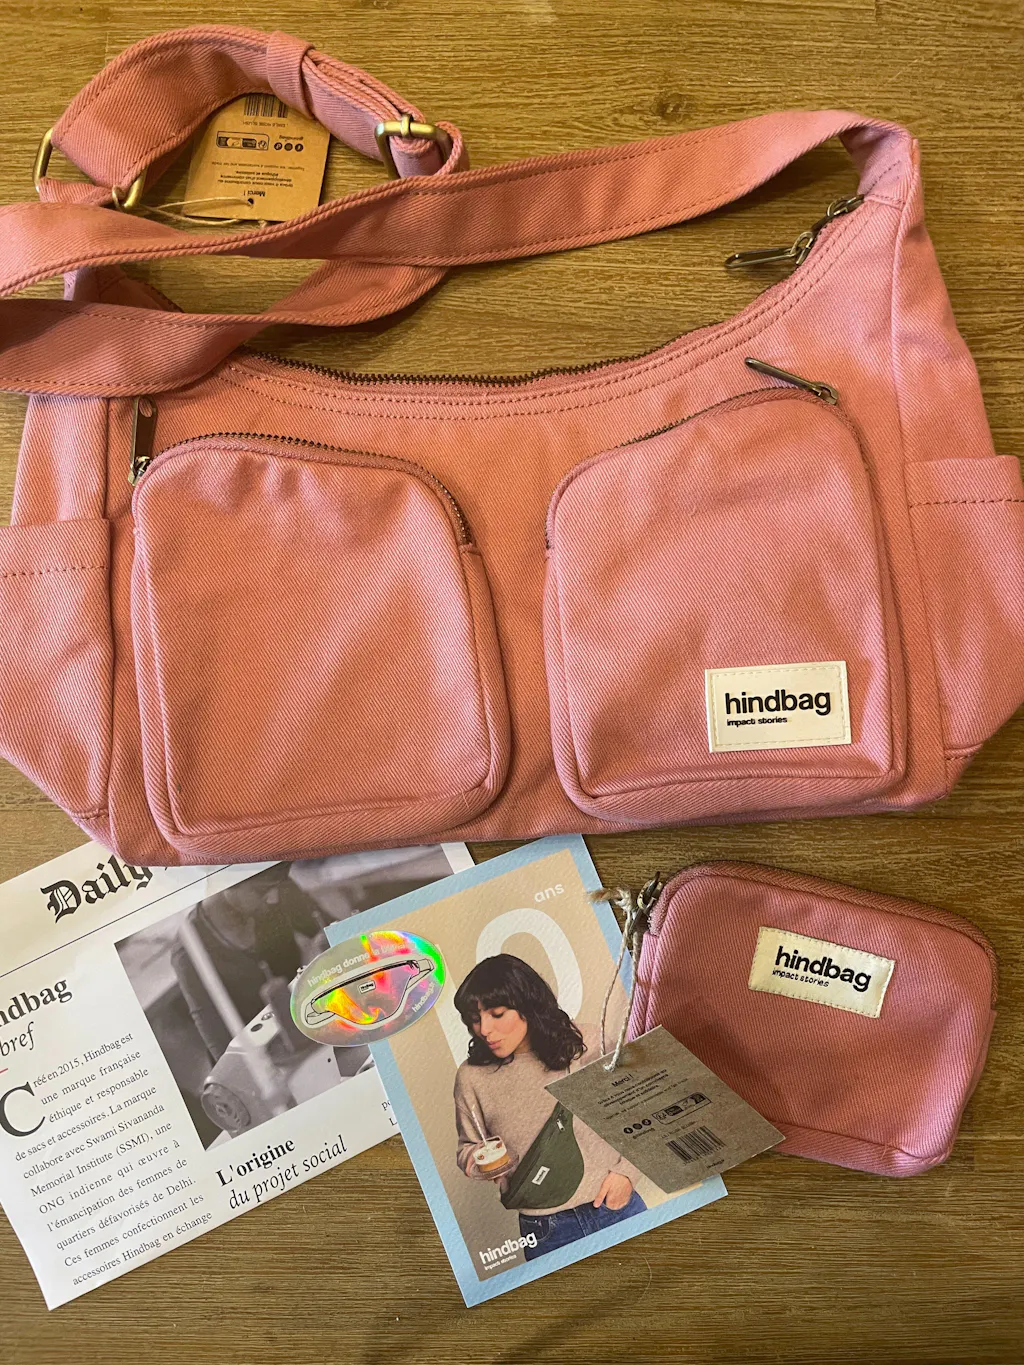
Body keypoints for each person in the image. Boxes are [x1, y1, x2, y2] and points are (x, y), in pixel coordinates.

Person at [453, 954, 645, 1261]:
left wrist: (627, 1175)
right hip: (545, 1230)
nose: (484, 1029)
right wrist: (482, 1161)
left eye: (497, 1014)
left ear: (527, 1005)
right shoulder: (471, 1077)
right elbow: (467, 1148)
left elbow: (640, 1109)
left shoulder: (587, 1043)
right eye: (475, 1019)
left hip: (616, 1207)